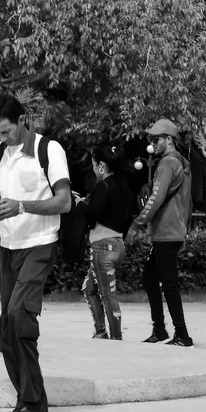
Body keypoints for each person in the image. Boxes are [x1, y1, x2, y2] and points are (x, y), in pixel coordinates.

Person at [0, 93, 71, 412]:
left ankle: (32, 403)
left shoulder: (49, 149)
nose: (2, 138)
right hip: (9, 246)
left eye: (6, 131)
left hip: (40, 244)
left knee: (20, 315)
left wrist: (21, 206)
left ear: (22, 121)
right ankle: (28, 401)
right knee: (7, 327)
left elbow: (64, 202)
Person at [126, 118, 193, 347]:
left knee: (169, 284)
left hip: (166, 231)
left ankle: (182, 334)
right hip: (174, 229)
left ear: (169, 140)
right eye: (151, 139)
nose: (152, 143)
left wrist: (136, 225)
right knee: (151, 278)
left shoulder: (167, 164)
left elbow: (155, 198)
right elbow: (187, 202)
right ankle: (160, 330)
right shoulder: (183, 163)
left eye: (156, 139)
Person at [81, 143, 131, 341]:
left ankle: (116, 338)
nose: (93, 169)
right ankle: (101, 332)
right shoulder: (125, 187)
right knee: (89, 288)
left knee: (108, 294)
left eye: (94, 165)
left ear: (101, 166)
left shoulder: (103, 186)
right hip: (117, 244)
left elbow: (92, 215)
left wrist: (80, 205)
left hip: (102, 246)